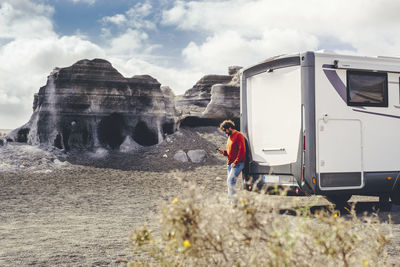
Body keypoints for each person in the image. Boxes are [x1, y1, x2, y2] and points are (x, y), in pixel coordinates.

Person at [218, 120, 246, 204]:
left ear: (230, 128)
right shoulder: (230, 137)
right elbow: (231, 151)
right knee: (229, 182)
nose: (225, 132)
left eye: (225, 130)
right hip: (230, 164)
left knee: (230, 181)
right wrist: (224, 152)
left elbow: (242, 150)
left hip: (238, 163)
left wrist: (236, 162)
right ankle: (230, 201)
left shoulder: (238, 135)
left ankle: (233, 202)